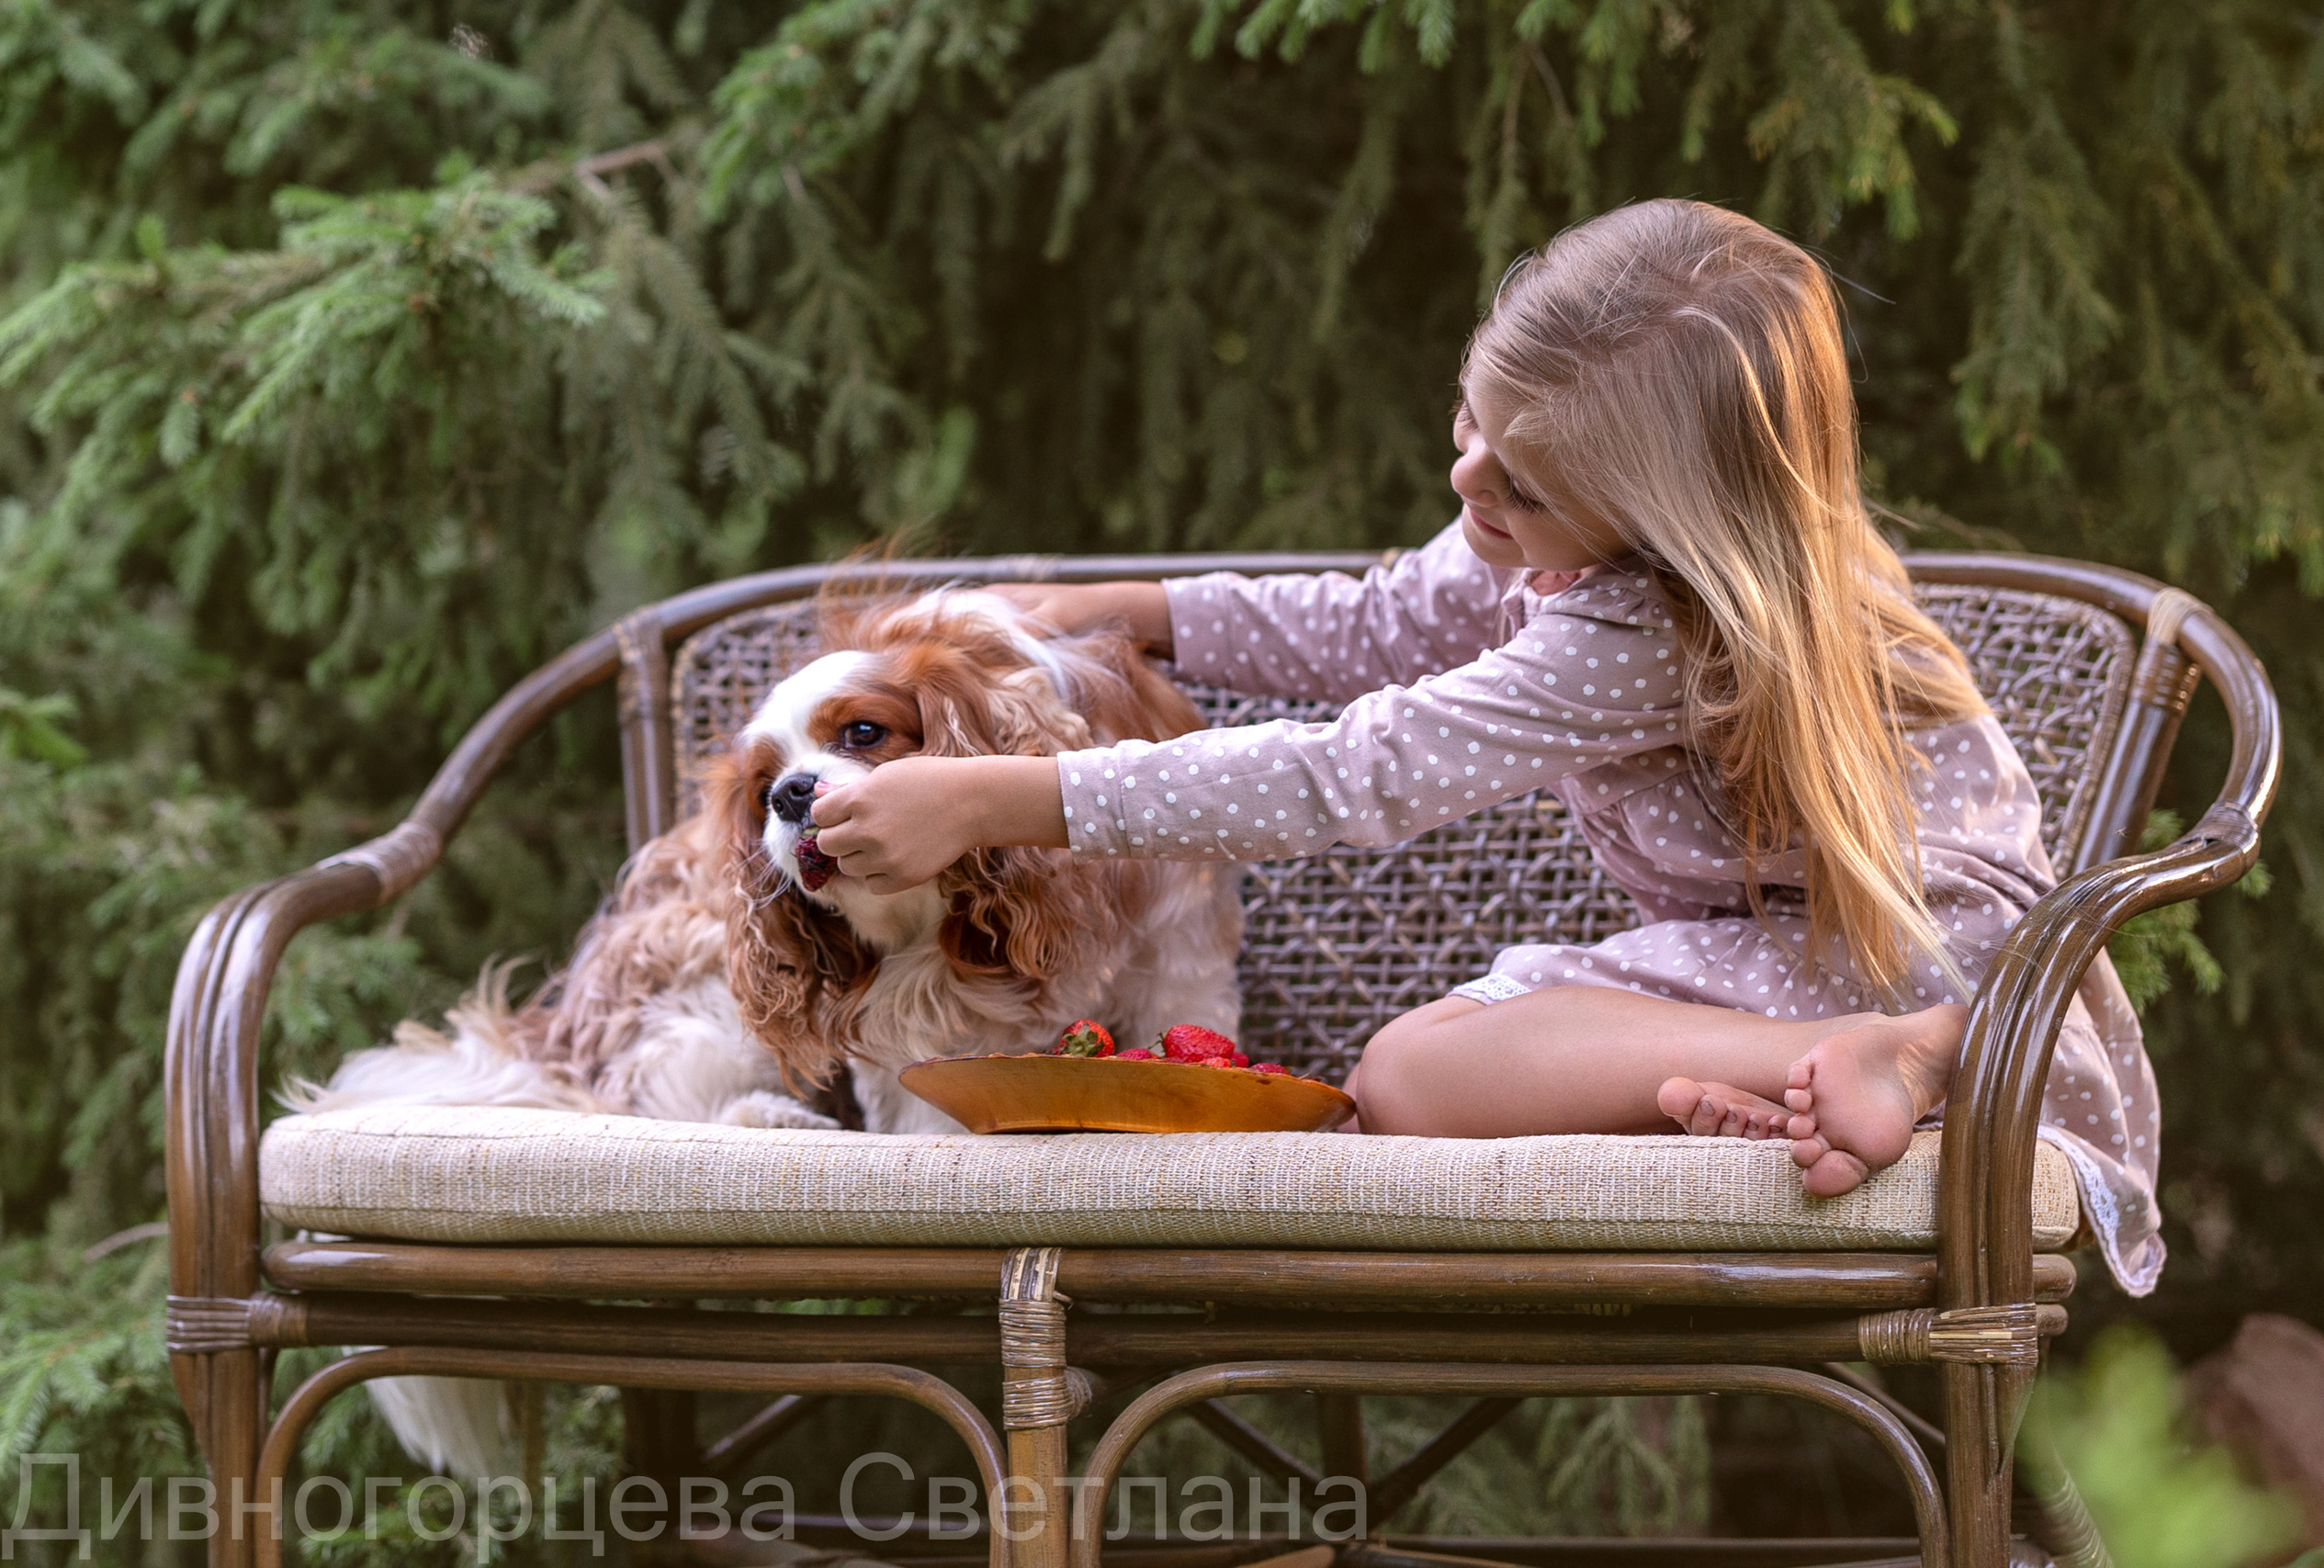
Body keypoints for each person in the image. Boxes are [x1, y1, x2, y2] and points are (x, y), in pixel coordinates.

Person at [808, 198, 2162, 1294]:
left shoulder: (1651, 627)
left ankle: (1907, 1057)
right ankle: (1794, 1079)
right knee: (1421, 1067)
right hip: (1788, 950)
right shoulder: (1567, 521)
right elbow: (1387, 619)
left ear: (1664, 519)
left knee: (1406, 1073)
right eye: (1471, 424)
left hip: (1924, 966)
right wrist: (1135, 611)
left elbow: (1351, 774)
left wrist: (1003, 797)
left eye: (1521, 483)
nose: (1472, 487)